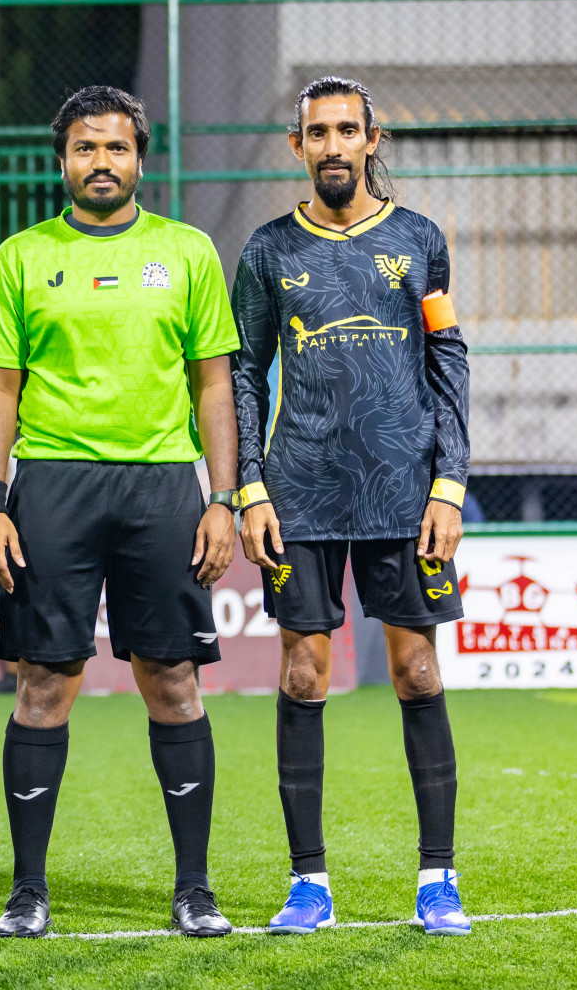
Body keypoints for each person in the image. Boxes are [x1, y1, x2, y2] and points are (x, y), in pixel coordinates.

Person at [0, 85, 239, 939]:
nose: (100, 163)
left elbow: (213, 385)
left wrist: (223, 498)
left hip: (163, 485)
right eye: (85, 149)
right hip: (51, 485)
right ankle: (27, 890)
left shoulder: (188, 251)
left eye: (115, 148)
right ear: (63, 160)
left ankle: (194, 888)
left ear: (138, 158)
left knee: (172, 680)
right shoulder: (20, 255)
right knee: (44, 682)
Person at [231, 76, 472, 936]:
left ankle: (437, 879)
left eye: (347, 130)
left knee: (417, 671)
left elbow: (448, 361)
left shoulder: (419, 241)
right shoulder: (266, 250)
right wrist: (249, 487)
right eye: (316, 133)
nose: (332, 145)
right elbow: (241, 375)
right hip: (299, 492)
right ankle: (309, 884)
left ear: (373, 139)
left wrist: (450, 481)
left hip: (405, 494)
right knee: (304, 673)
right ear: (296, 147)